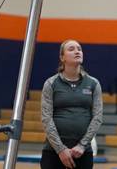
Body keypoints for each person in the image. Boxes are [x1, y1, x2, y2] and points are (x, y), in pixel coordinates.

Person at [40, 39, 103, 169]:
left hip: (83, 153)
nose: (77, 51)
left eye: (79, 49)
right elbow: (46, 118)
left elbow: (97, 117)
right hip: (53, 153)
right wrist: (60, 149)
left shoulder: (93, 84)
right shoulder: (51, 83)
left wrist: (82, 145)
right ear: (62, 57)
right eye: (71, 49)